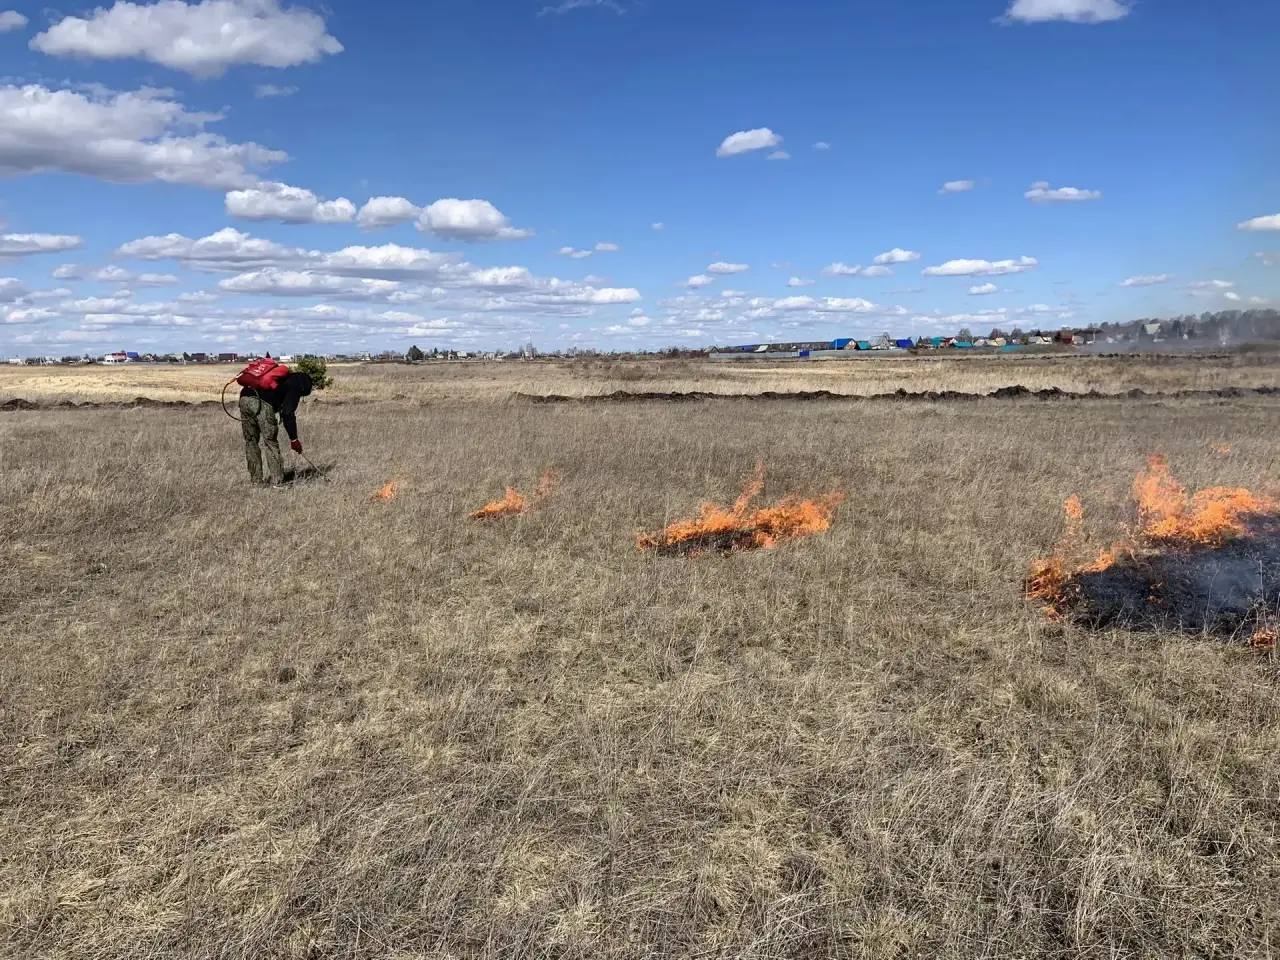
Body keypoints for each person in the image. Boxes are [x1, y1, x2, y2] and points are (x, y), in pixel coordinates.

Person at [239, 370, 313, 486]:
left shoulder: (283, 377)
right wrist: (294, 440)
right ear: (305, 388)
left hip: (244, 398)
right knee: (270, 442)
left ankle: (256, 481)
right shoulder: (296, 386)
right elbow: (288, 413)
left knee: (251, 441)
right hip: (261, 403)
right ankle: (278, 482)